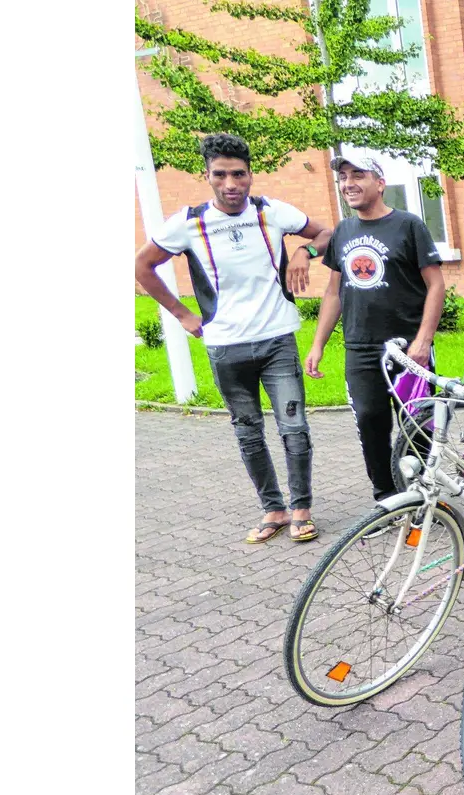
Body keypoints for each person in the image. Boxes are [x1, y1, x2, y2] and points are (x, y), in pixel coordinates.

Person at [135, 132, 332, 544]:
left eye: (239, 174)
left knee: (293, 428)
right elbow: (142, 266)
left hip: (277, 338)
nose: (231, 184)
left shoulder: (271, 212)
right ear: (207, 176)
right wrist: (183, 314)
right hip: (226, 346)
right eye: (221, 175)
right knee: (247, 431)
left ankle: (301, 509)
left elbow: (326, 234)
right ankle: (273, 509)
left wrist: (303, 252)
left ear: (250, 175)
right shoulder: (189, 223)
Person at [304, 152, 445, 501]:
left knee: (418, 424)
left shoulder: (409, 225)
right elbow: (334, 291)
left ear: (380, 184)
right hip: (360, 349)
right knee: (370, 422)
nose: (348, 183)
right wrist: (318, 344)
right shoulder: (343, 231)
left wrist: (423, 341)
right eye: (343, 177)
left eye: (358, 175)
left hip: (407, 347)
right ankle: (385, 497)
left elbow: (436, 285)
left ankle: (416, 495)